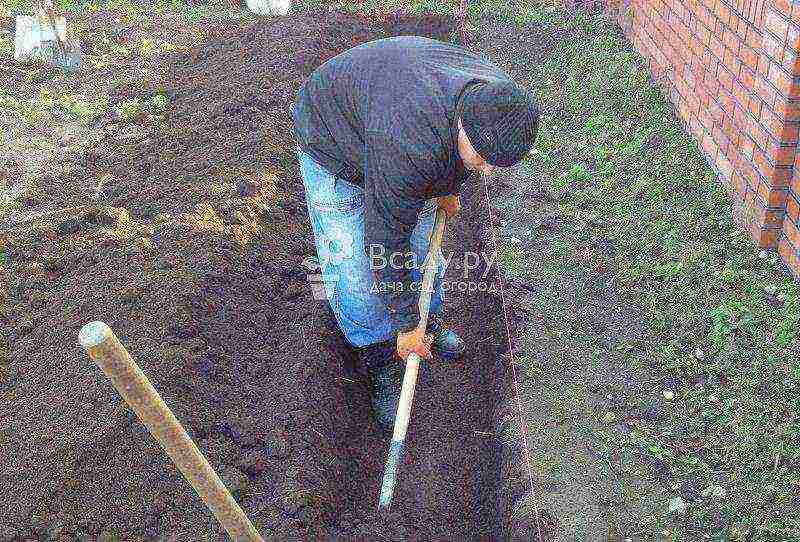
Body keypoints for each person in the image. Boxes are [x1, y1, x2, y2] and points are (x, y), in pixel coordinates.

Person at [290, 35, 539, 433]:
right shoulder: (410, 144)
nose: (488, 171)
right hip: (334, 137)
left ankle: (427, 319)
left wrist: (449, 187)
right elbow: (385, 240)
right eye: (485, 160)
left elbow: (459, 155)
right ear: (465, 130)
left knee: (423, 243)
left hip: (392, 116)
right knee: (353, 263)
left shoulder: (495, 102)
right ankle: (380, 354)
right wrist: (403, 326)